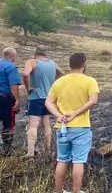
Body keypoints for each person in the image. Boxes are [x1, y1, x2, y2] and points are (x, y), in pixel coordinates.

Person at [45, 52, 99, 193]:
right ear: (84, 64)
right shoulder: (90, 81)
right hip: (81, 127)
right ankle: (76, 191)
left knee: (62, 159)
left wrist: (58, 115)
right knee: (78, 160)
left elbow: (48, 102)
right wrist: (75, 113)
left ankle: (58, 190)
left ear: (70, 64)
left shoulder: (60, 82)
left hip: (62, 127)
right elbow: (93, 100)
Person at [22, 46, 64, 157]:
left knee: (33, 125)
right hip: (48, 98)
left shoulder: (32, 62)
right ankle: (47, 151)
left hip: (36, 97)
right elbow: (62, 74)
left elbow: (26, 74)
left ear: (35, 53)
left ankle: (30, 153)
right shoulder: (52, 63)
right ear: (46, 54)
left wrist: (28, 88)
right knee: (46, 125)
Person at [0, 47, 21, 155]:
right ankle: (7, 149)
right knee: (8, 124)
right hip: (5, 99)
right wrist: (17, 100)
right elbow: (14, 85)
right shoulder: (11, 67)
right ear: (12, 56)